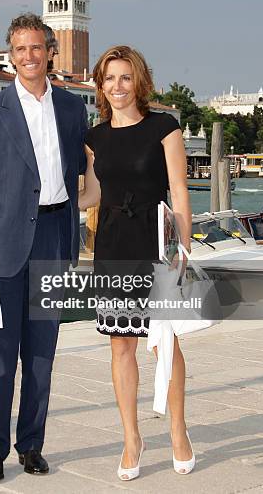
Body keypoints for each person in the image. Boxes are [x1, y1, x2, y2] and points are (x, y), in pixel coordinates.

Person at [0, 13, 87, 482]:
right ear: (10, 56)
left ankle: (31, 445)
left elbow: (87, 172)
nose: (29, 57)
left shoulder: (74, 110)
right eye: (20, 50)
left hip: (54, 238)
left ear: (50, 51)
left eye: (36, 48)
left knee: (41, 354)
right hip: (2, 246)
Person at [79, 45, 194, 481]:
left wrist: (182, 249)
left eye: (125, 77)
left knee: (167, 340)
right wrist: (44, 193)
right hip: (112, 242)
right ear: (101, 85)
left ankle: (178, 429)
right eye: (110, 78)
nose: (117, 86)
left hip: (156, 239)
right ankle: (132, 438)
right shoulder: (95, 138)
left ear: (139, 81)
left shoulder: (164, 128)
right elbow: (93, 194)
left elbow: (179, 191)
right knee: (120, 343)